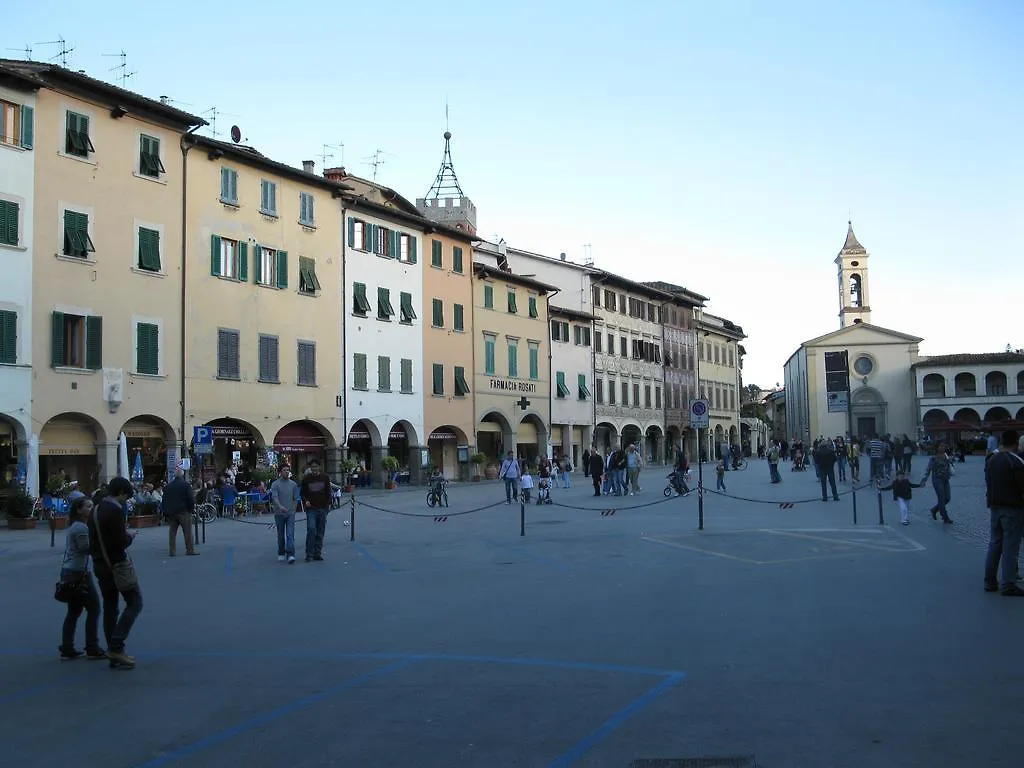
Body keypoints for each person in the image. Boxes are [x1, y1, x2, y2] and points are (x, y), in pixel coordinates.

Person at [89, 476, 142, 670]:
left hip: (99, 564)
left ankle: (113, 651)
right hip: (116, 565)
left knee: (110, 606)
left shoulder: (95, 509)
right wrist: (129, 537)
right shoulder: (114, 511)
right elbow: (120, 542)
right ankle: (116, 646)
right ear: (121, 493)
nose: (126, 500)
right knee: (135, 602)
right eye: (126, 496)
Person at [58, 498, 106, 661]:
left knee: (74, 610)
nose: (92, 508)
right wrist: (101, 541)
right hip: (79, 572)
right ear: (79, 510)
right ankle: (91, 646)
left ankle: (67, 646)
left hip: (71, 570)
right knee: (94, 608)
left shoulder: (78, 526)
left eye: (92, 505)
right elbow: (85, 548)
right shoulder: (80, 528)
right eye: (88, 506)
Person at [983, 430, 1024, 596]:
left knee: (995, 543)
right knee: (1011, 545)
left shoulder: (992, 459)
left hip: (995, 506)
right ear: (1015, 443)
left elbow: (988, 483)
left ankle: (990, 580)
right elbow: (1021, 487)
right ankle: (1008, 583)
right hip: (1012, 507)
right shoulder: (1015, 461)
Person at [300, 460, 331, 562]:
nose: (314, 469)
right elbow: (302, 493)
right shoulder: (306, 479)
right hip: (311, 509)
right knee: (311, 529)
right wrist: (306, 501)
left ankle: (317, 553)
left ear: (319, 467)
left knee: (320, 532)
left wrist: (328, 506)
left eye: (316, 467)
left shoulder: (325, 477)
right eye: (312, 467)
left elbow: (328, 492)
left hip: (322, 508)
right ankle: (309, 553)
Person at [162, 468, 198, 557]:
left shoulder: (168, 486)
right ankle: (190, 549)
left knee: (172, 532)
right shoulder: (186, 485)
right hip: (184, 511)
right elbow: (190, 498)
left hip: (171, 512)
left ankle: (172, 551)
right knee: (187, 531)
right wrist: (191, 509)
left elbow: (164, 500)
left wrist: (165, 512)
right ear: (182, 475)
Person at [270, 466, 300, 564]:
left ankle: (291, 554)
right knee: (281, 535)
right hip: (279, 513)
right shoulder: (275, 484)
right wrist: (280, 506)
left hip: (290, 513)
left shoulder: (293, 484)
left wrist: (294, 509)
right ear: (280, 472)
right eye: (284, 470)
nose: (286, 472)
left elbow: (296, 498)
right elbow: (274, 497)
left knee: (290, 534)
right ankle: (281, 551)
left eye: (288, 470)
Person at [921, 442, 955, 524]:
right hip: (937, 479)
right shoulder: (933, 458)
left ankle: (935, 509)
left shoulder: (946, 456)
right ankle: (945, 517)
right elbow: (928, 470)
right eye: (941, 446)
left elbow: (950, 466)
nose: (943, 448)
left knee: (947, 498)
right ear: (937, 447)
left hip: (946, 479)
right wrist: (924, 480)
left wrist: (950, 460)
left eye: (944, 446)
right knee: (941, 498)